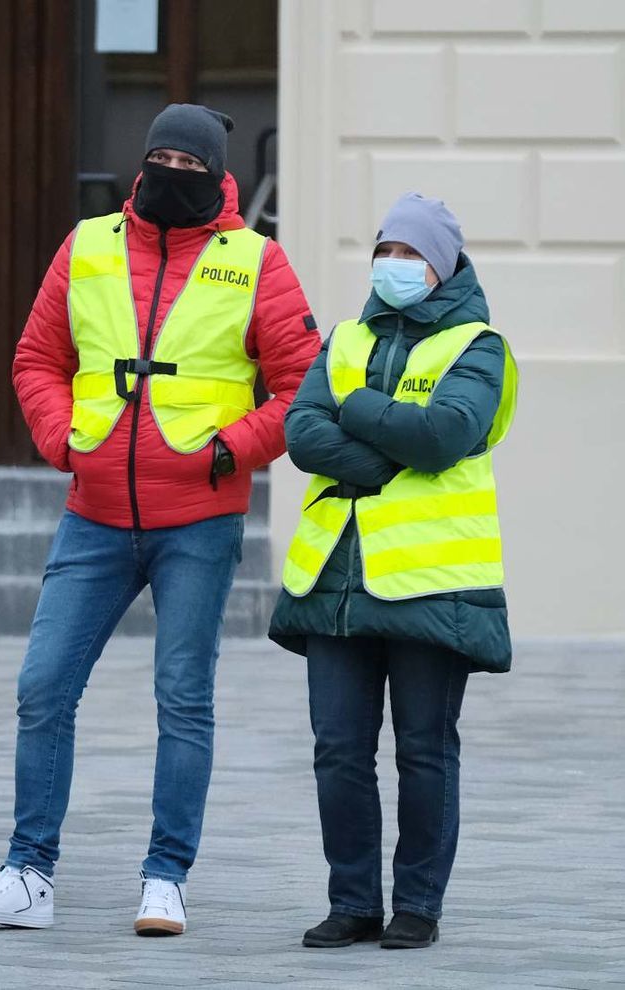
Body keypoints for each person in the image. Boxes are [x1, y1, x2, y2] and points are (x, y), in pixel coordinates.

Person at [0, 104, 320, 936]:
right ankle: (27, 875)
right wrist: (61, 437)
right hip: (95, 513)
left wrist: (230, 451)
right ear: (141, 164)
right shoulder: (89, 244)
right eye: (160, 156)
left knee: (183, 699)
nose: (170, 170)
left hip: (199, 520)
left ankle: (165, 878)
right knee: (42, 688)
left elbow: (302, 387)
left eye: (190, 161)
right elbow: (38, 358)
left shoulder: (257, 261)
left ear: (219, 176)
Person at [269, 193, 518, 950]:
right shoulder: (343, 338)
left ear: (441, 265)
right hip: (336, 582)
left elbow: (446, 435)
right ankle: (352, 902)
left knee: (423, 748)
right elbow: (302, 431)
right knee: (338, 749)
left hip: (431, 586)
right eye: (386, 250)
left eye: (410, 254)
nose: (394, 265)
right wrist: (383, 448)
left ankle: (417, 905)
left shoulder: (478, 346)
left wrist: (358, 410)